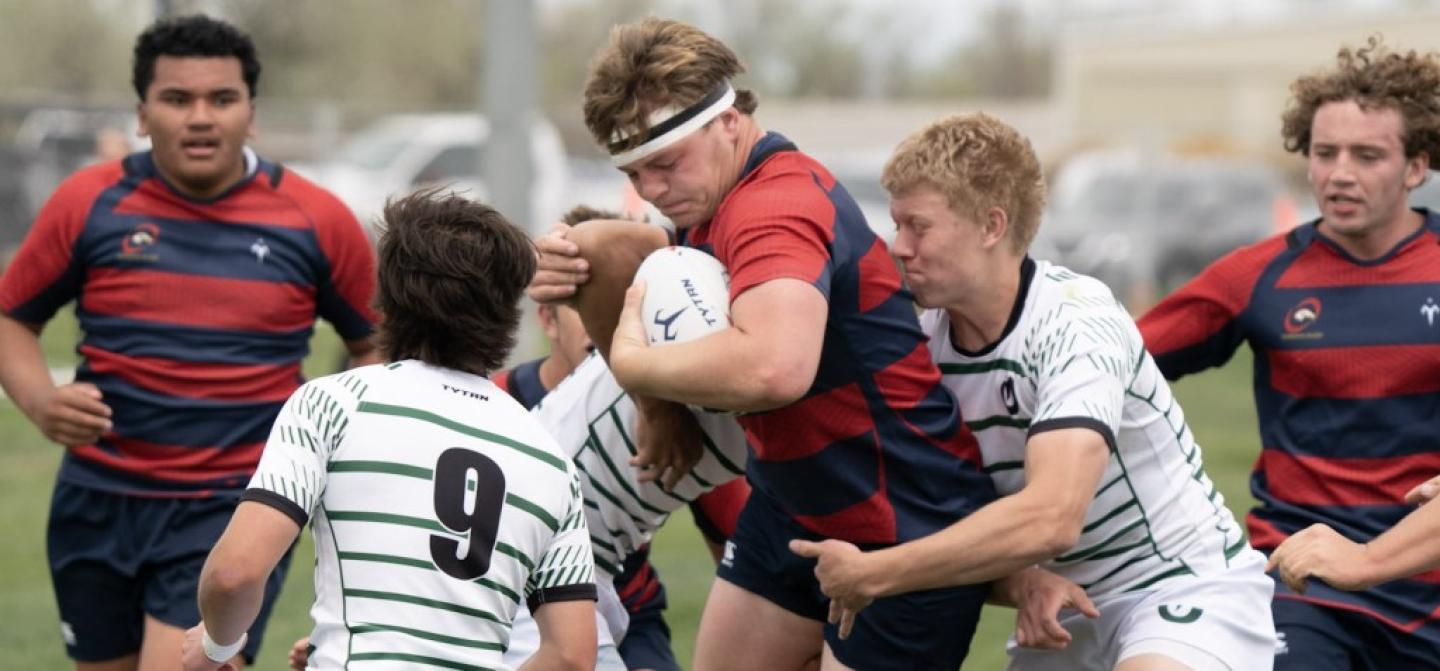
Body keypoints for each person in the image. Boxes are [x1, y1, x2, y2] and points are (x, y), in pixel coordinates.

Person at [530, 17, 997, 670]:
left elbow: (776, 368)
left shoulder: (773, 206)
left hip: (898, 525)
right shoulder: (714, 196)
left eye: (665, 163)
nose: (652, 189)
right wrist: (657, 409)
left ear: (728, 121)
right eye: (635, 173)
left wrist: (637, 369)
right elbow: (612, 251)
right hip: (790, 509)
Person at [789, 112, 1276, 670]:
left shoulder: (1076, 321)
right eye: (896, 225)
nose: (899, 247)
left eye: (918, 227)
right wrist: (1020, 583)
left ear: (991, 227)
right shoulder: (919, 344)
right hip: (1063, 608)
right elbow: (940, 517)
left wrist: (876, 574)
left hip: (1180, 586)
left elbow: (1052, 518)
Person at [0, 15, 378, 669]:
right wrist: (40, 402)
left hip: (235, 503)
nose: (200, 118)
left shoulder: (316, 219)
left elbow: (376, 343)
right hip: (97, 498)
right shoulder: (88, 203)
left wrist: (329, 435)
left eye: (222, 99)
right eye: (177, 99)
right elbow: (11, 317)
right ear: (143, 114)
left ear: (251, 113)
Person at [180, 189, 599, 671]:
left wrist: (215, 647)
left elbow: (233, 575)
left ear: (386, 294)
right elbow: (572, 656)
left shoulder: (333, 403)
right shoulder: (549, 458)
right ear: (509, 308)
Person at [1136, 36, 1440, 669]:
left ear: (1417, 167)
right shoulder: (1257, 277)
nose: (1340, 173)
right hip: (1303, 586)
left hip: (1426, 574)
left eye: (1367, 155)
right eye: (1325, 153)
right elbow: (1112, 363)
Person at [497, 204, 750, 671]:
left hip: (626, 605)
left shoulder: (693, 405)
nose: (624, 323)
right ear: (549, 320)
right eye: (589, 305)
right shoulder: (493, 405)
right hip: (520, 592)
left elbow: (737, 547)